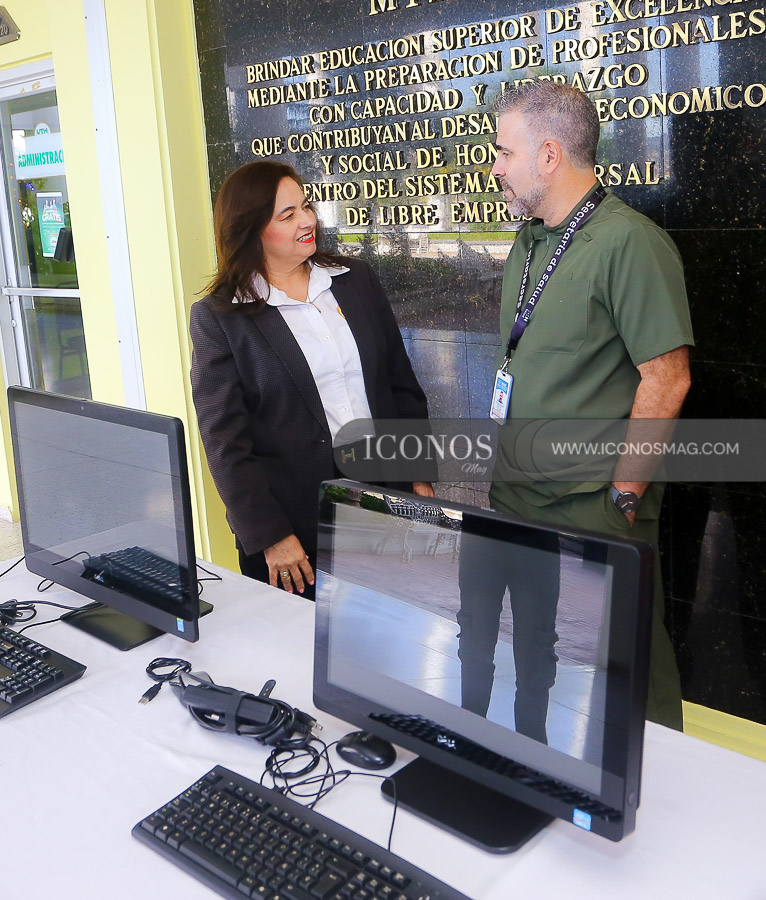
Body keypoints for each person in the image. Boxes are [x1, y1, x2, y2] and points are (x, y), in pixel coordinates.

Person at [481, 82, 694, 730]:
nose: (495, 167)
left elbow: (668, 379)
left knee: (626, 671)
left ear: (549, 155)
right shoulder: (528, 243)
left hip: (591, 508)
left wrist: (622, 498)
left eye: (504, 152)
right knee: (534, 656)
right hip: (517, 497)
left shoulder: (630, 243)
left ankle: (653, 786)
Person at [190, 161, 433, 598]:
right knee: (306, 637)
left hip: (384, 494)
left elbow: (401, 385)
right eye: (287, 215)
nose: (307, 220)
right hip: (296, 527)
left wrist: (418, 476)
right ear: (250, 230)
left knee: (395, 623)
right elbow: (225, 443)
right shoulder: (220, 318)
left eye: (306, 206)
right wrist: (270, 535)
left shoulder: (355, 280)